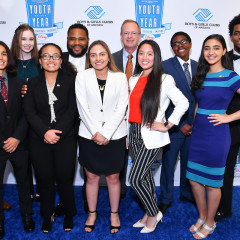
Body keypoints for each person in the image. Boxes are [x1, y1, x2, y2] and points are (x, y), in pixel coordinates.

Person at [128, 39, 189, 234]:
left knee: (135, 179)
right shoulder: (133, 78)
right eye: (141, 53)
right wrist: (129, 133)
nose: (144, 57)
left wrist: (168, 125)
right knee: (144, 177)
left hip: (152, 136)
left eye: (149, 53)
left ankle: (154, 214)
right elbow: (131, 109)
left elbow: (183, 103)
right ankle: (148, 212)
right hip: (135, 132)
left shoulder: (164, 79)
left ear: (156, 57)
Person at [186, 34, 240, 239]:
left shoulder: (230, 76)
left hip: (217, 135)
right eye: (207, 48)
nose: (211, 52)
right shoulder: (201, 74)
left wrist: (229, 117)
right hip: (199, 133)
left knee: (213, 182)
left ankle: (210, 221)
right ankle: (202, 216)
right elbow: (199, 103)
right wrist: (194, 122)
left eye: (216, 48)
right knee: (193, 180)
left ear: (224, 51)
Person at [24, 43, 78, 233]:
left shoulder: (71, 81)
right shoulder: (32, 82)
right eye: (46, 56)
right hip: (39, 139)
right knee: (45, 180)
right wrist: (44, 132)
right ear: (40, 61)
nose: (51, 60)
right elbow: (29, 112)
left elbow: (73, 110)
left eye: (55, 56)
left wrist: (57, 132)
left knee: (65, 179)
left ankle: (69, 213)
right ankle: (47, 216)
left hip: (65, 138)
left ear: (61, 61)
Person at [75, 40, 128, 234]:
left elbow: (121, 107)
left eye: (102, 54)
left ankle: (114, 213)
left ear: (108, 56)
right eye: (93, 55)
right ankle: (92, 213)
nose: (98, 58)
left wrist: (106, 133)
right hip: (89, 134)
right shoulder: (82, 76)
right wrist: (96, 132)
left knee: (114, 177)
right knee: (91, 176)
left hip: (115, 135)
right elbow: (83, 107)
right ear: (89, 58)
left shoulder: (121, 77)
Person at [158, 32, 197, 214]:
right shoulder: (165, 66)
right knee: (168, 163)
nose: (179, 45)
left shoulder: (199, 66)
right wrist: (179, 123)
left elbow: (200, 97)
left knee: (189, 163)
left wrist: (193, 121)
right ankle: (165, 198)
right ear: (172, 47)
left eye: (183, 42)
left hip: (195, 126)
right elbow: (162, 100)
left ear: (189, 44)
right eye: (175, 43)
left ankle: (186, 193)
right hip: (174, 127)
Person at [54, 23, 90, 217]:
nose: (76, 43)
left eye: (81, 39)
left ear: (88, 41)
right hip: (62, 121)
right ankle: (64, 199)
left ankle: (87, 197)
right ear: (67, 40)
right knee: (63, 164)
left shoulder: (95, 59)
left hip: (89, 121)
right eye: (72, 38)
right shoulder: (58, 60)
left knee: (87, 163)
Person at [0, 41, 35, 239]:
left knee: (24, 183)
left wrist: (17, 138)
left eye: (4, 53)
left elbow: (26, 113)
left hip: (19, 143)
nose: (1, 58)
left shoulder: (17, 81)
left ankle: (27, 216)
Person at [11, 24, 40, 201]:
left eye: (31, 39)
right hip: (15, 118)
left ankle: (41, 190)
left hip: (37, 117)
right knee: (22, 159)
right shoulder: (9, 63)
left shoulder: (40, 62)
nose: (28, 43)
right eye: (23, 39)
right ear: (17, 40)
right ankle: (27, 191)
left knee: (37, 156)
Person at [112, 19, 141, 199]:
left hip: (140, 115)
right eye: (126, 33)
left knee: (139, 156)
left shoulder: (147, 57)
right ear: (121, 36)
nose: (129, 36)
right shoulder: (111, 58)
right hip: (117, 115)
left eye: (133, 33)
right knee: (118, 156)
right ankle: (119, 190)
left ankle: (140, 190)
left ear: (139, 36)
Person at [215, 14, 240, 222]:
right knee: (227, 168)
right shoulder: (222, 60)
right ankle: (224, 208)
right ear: (231, 37)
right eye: (237, 33)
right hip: (231, 121)